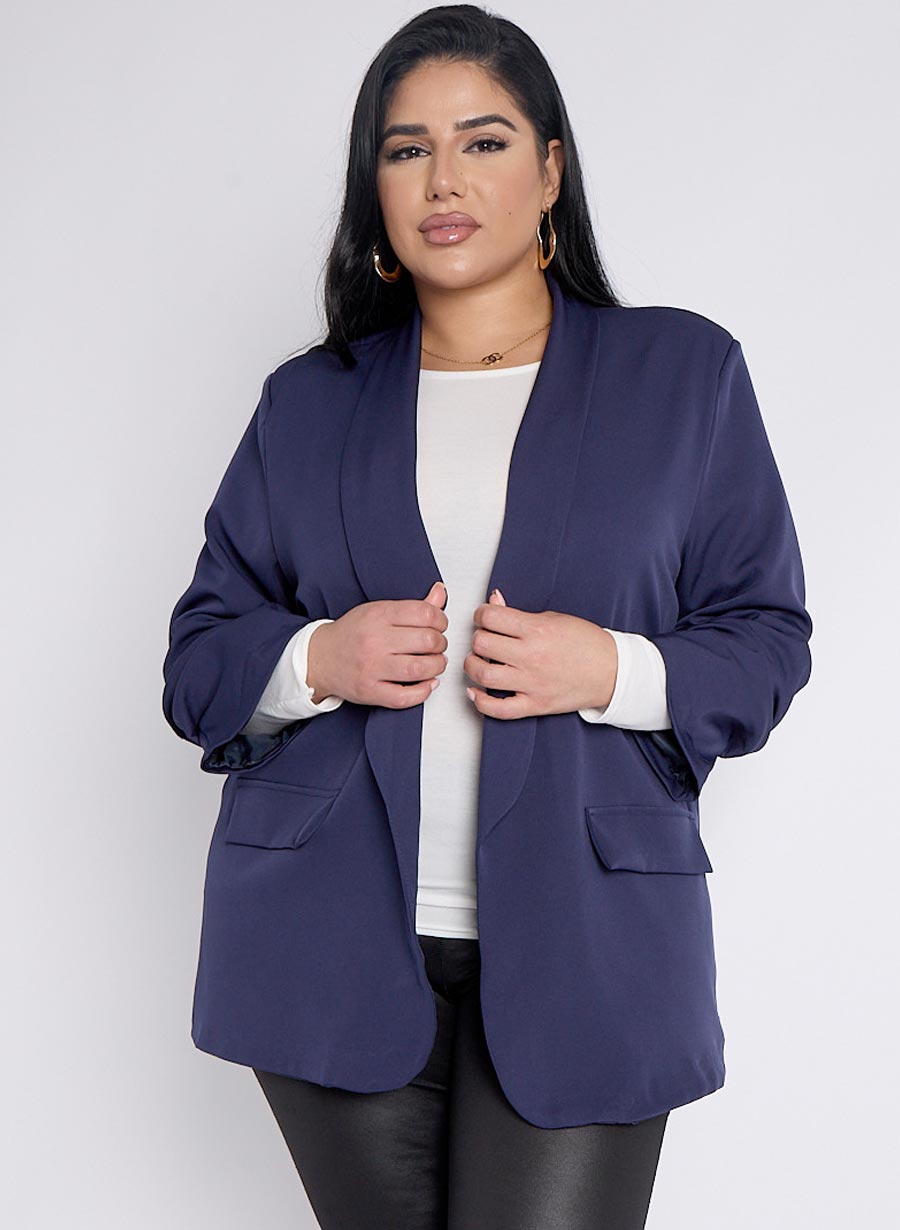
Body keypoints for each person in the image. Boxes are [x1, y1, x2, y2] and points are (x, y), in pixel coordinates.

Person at [161, 6, 813, 1228]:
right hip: (324, 943)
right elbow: (198, 666)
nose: (443, 180)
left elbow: (767, 641)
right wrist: (320, 654)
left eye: (484, 141)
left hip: (594, 947)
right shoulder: (307, 404)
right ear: (375, 189)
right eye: (406, 149)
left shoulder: (683, 377)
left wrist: (610, 668)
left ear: (551, 170)